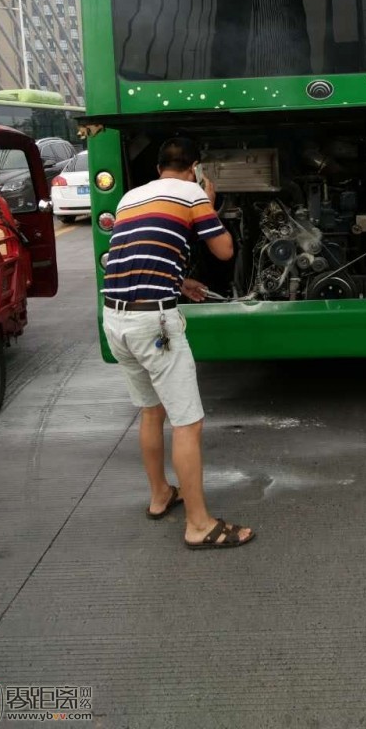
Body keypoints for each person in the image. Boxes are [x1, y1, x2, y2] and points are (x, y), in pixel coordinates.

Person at [101, 136, 255, 548]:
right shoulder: (191, 193)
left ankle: (159, 496)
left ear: (157, 170)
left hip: (115, 318)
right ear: (195, 168)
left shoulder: (130, 198)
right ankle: (199, 524)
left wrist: (179, 281)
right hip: (154, 323)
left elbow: (140, 254)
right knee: (188, 422)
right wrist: (209, 201)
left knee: (151, 412)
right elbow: (224, 251)